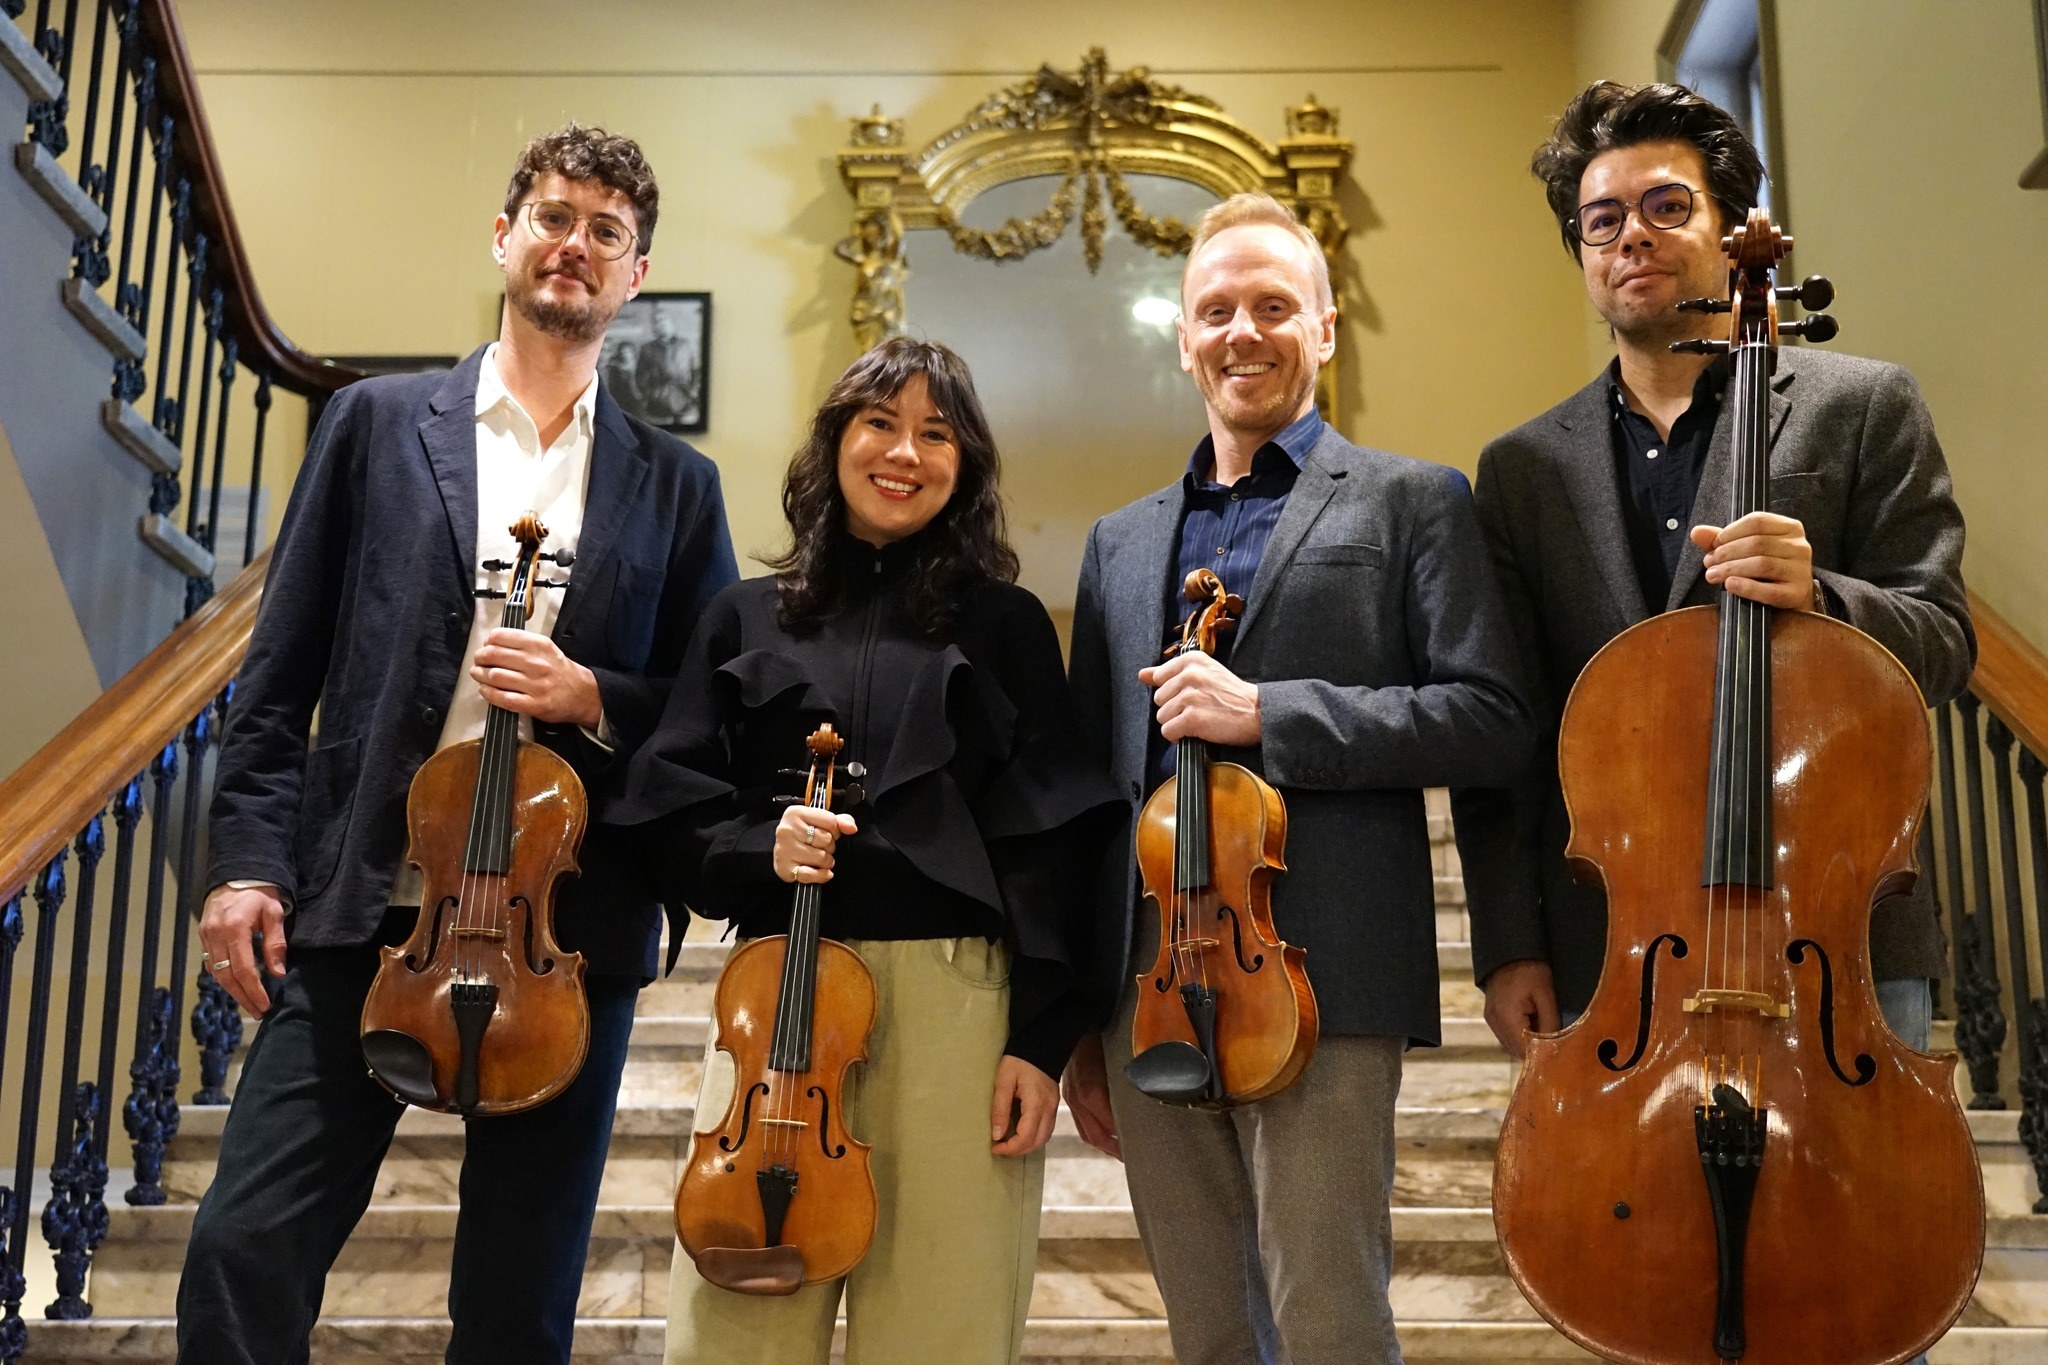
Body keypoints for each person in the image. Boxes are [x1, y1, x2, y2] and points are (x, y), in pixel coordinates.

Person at [180, 124, 739, 1364]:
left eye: (607, 233)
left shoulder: (675, 485)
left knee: (516, 1300)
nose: (574, 246)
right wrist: (244, 865)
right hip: (371, 907)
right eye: (552, 217)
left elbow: (713, 712)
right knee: (242, 1250)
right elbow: (278, 682)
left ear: (634, 275)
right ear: (504, 238)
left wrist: (593, 691)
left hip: (561, 937)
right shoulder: (374, 425)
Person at [1061, 192, 1532, 1365]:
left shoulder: (1412, 500)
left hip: (1324, 970)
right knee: (1207, 1331)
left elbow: (1488, 718)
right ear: (1182, 339)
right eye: (1214, 309)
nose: (1241, 331)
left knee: (1328, 1320)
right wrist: (1077, 1021)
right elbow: (1086, 792)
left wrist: (1268, 713)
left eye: (1272, 306)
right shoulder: (1119, 542)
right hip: (1149, 985)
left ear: (1323, 328)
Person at [610, 337, 1120, 1365]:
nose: (905, 451)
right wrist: (762, 845)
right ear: (835, 441)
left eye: (936, 434)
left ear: (964, 466)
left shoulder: (1010, 625)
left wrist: (1040, 1038)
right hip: (774, 1011)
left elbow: (1054, 847)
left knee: (943, 1332)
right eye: (880, 422)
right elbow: (661, 810)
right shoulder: (741, 616)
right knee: (733, 1339)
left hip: (957, 1014)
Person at [1452, 82, 1973, 1077]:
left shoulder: (1860, 406)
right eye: (1599, 221)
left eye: (1664, 207)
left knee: (1848, 1229)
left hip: (1832, 924)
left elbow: (1943, 644)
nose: (1628, 239)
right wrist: (1508, 944)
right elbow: (1507, 736)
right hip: (1613, 947)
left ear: (1732, 231)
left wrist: (1824, 597)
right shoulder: (1520, 469)